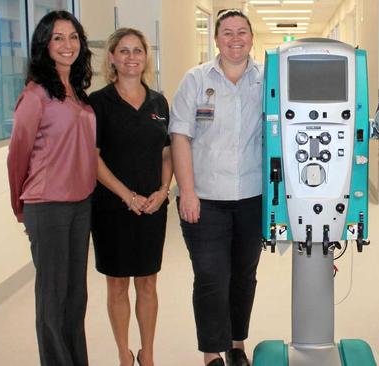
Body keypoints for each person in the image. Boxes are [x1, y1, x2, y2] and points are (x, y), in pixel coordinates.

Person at [169, 9, 262, 366]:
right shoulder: (196, 79)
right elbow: (180, 136)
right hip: (205, 198)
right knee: (210, 276)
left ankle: (237, 344)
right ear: (216, 38)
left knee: (243, 275)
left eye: (242, 32)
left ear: (251, 38)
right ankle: (211, 352)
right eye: (227, 32)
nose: (235, 38)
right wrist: (187, 192)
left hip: (252, 196)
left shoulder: (265, 79)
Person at [7, 10, 96, 366]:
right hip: (48, 205)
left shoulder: (76, 91)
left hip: (80, 205)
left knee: (76, 298)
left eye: (73, 37)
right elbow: (18, 154)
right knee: (52, 298)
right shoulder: (36, 94)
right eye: (58, 37)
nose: (67, 44)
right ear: (44, 45)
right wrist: (20, 205)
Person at [89, 28, 172, 366]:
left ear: (145, 57)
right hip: (112, 207)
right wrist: (127, 196)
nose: (131, 57)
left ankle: (147, 353)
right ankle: (124, 353)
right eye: (123, 51)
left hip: (153, 207)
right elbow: (92, 159)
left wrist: (164, 190)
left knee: (149, 283)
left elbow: (167, 152)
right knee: (118, 285)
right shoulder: (97, 103)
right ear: (111, 58)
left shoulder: (158, 102)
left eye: (137, 51)